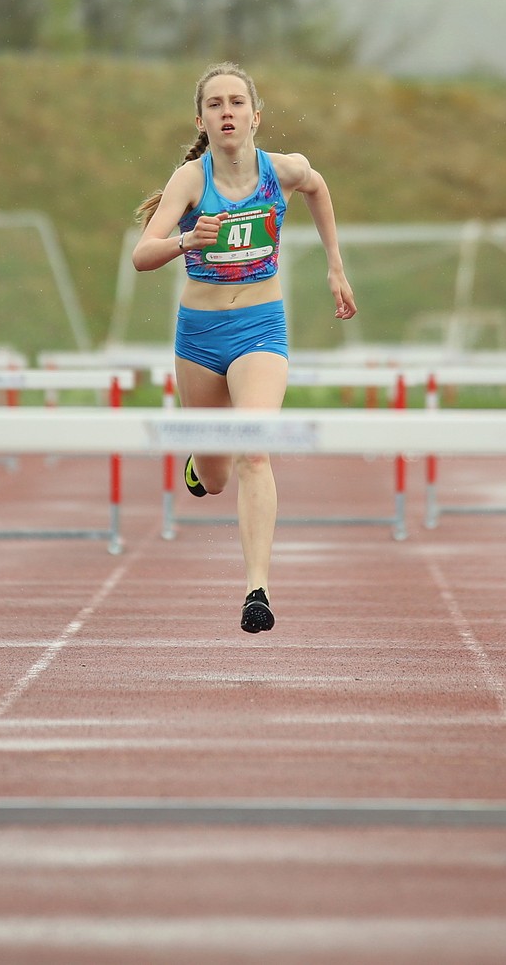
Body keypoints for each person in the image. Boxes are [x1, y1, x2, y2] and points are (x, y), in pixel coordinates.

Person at [131, 62, 356, 634]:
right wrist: (187, 239)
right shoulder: (190, 181)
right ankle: (200, 467)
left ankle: (257, 587)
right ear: (203, 119)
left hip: (260, 328)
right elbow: (142, 254)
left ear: (256, 116)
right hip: (199, 338)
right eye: (215, 105)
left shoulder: (283, 171)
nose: (226, 112)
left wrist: (334, 266)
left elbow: (318, 187)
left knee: (254, 448)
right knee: (215, 477)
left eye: (236, 103)